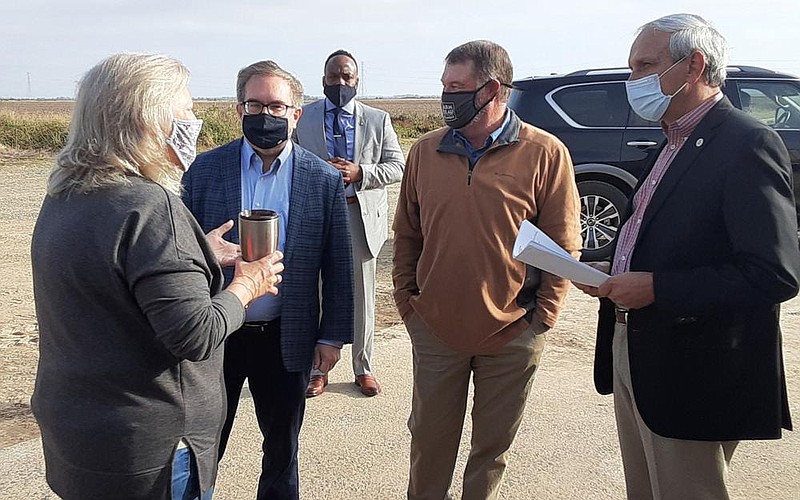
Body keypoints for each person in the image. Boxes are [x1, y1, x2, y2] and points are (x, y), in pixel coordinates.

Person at [30, 53, 284, 500]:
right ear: (150, 120)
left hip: (79, 435)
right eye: (185, 110)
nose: (193, 121)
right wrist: (248, 285)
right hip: (151, 450)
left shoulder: (66, 194)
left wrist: (193, 252)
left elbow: (109, 276)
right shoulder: (151, 205)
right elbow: (195, 334)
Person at [574, 14, 800, 499]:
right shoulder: (670, 140)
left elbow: (773, 273)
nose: (631, 81)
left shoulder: (747, 143)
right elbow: (663, 234)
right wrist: (609, 268)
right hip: (639, 350)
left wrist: (655, 287)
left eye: (644, 66)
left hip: (696, 370)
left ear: (694, 65)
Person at [392, 40, 582, 499]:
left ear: (491, 88)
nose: (445, 97)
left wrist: (541, 320)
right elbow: (407, 235)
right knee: (429, 445)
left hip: (513, 334)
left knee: (491, 450)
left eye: (456, 87)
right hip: (436, 330)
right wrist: (409, 306)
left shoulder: (545, 152)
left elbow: (562, 244)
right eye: (443, 87)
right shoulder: (424, 151)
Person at [182, 60, 354, 500]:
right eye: (255, 105)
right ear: (239, 110)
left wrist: (332, 336)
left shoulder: (322, 179)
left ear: (297, 114)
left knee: (282, 451)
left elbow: (337, 264)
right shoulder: (203, 171)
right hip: (216, 336)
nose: (266, 116)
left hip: (286, 336)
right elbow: (179, 256)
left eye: (277, 106)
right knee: (201, 447)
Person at [294, 49, 405, 397]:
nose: (340, 83)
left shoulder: (377, 119)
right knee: (317, 293)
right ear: (323, 79)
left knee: (363, 298)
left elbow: (397, 166)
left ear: (357, 80)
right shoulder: (305, 118)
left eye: (347, 77)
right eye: (333, 77)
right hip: (316, 216)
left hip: (359, 214)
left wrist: (361, 173)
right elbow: (290, 160)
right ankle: (318, 369)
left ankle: (364, 367)